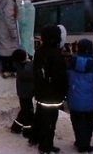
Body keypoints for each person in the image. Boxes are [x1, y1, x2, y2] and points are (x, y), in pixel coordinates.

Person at [29, 24, 68, 154]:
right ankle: (46, 146)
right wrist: (64, 92)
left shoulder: (40, 51)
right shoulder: (56, 54)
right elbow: (60, 77)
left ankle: (34, 138)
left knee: (39, 116)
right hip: (52, 94)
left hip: (41, 91)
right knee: (50, 121)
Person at [67, 39, 93, 153]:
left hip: (73, 101)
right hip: (90, 104)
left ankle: (80, 141)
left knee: (77, 123)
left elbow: (65, 82)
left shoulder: (70, 64)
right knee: (88, 123)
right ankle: (84, 145)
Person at [0, 0, 19, 78]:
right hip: (6, 29)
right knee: (10, 49)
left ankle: (5, 69)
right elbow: (9, 17)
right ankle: (10, 70)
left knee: (3, 49)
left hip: (0, 28)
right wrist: (13, 32)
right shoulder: (9, 1)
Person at [10, 48, 34, 138]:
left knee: (25, 110)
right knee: (28, 112)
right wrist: (32, 63)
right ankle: (28, 131)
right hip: (26, 93)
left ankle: (16, 127)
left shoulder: (20, 65)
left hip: (24, 93)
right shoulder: (24, 68)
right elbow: (29, 74)